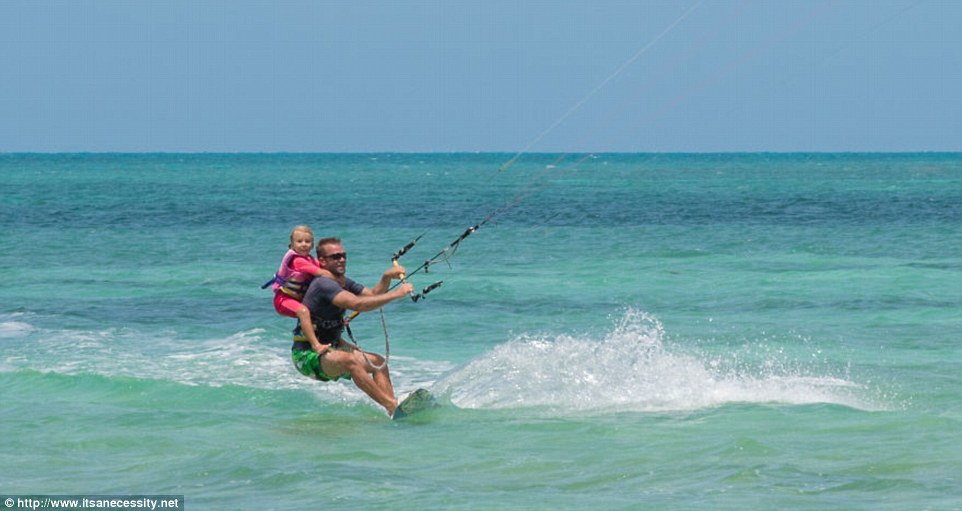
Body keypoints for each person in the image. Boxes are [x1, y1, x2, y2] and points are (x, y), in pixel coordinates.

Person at [291, 237, 414, 416]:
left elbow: (372, 294)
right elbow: (359, 304)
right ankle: (391, 405)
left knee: (378, 363)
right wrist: (396, 294)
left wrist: (386, 277)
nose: (341, 259)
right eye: (335, 257)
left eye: (343, 255)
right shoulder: (323, 284)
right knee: (351, 361)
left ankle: (394, 413)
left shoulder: (343, 282)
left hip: (332, 348)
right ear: (322, 261)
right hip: (307, 355)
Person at [265, 225, 334, 352]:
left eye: (307, 242)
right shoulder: (297, 261)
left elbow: (325, 268)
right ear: (291, 245)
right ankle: (316, 345)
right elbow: (323, 273)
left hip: (297, 300)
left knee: (324, 313)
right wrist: (339, 281)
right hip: (283, 300)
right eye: (299, 241)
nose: (304, 244)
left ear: (312, 245)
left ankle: (332, 341)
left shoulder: (310, 260)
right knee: (303, 312)